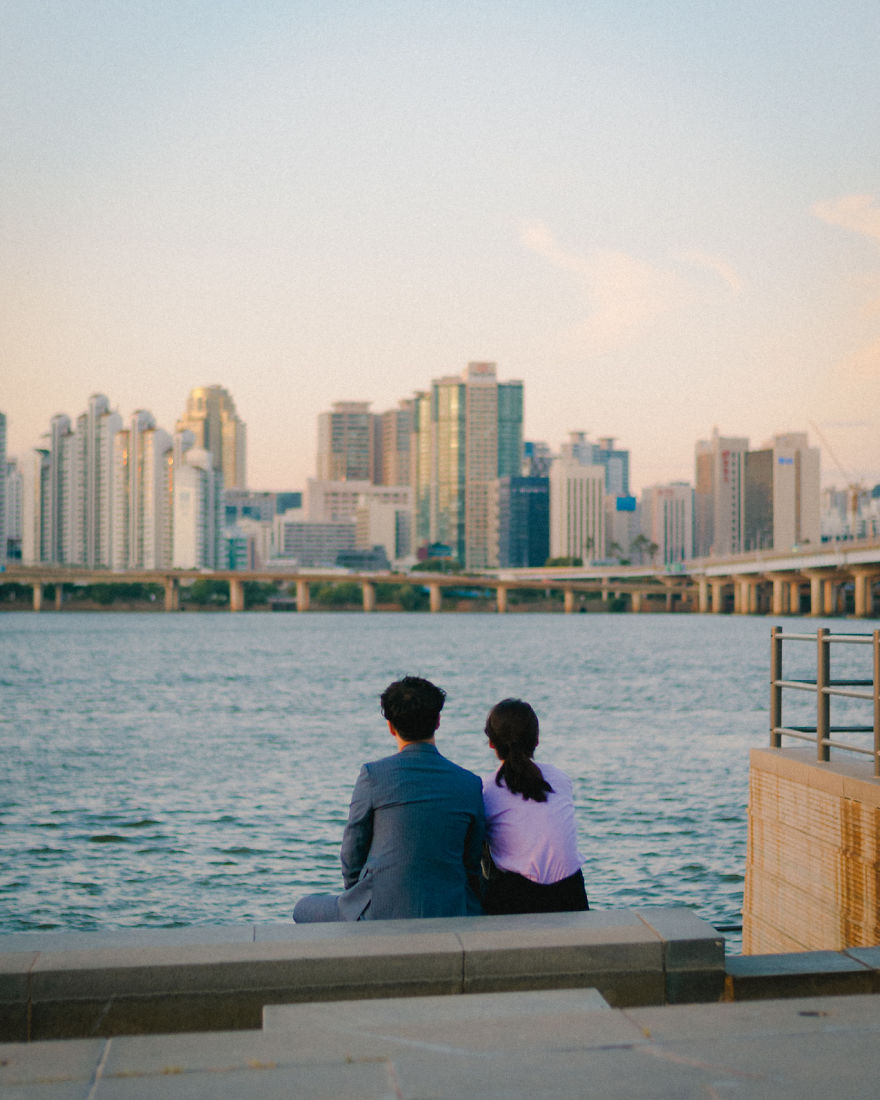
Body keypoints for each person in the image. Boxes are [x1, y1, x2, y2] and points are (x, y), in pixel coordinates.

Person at [293, 676, 485, 922]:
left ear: (391, 727)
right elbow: (471, 861)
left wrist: (356, 895)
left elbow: (352, 851)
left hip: (380, 910)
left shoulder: (373, 776)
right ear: (438, 721)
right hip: (450, 907)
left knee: (302, 908)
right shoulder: (469, 783)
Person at [481, 698, 588, 915]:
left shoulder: (486, 789)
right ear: (536, 740)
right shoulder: (560, 778)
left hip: (516, 896)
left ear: (491, 743)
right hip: (571, 892)